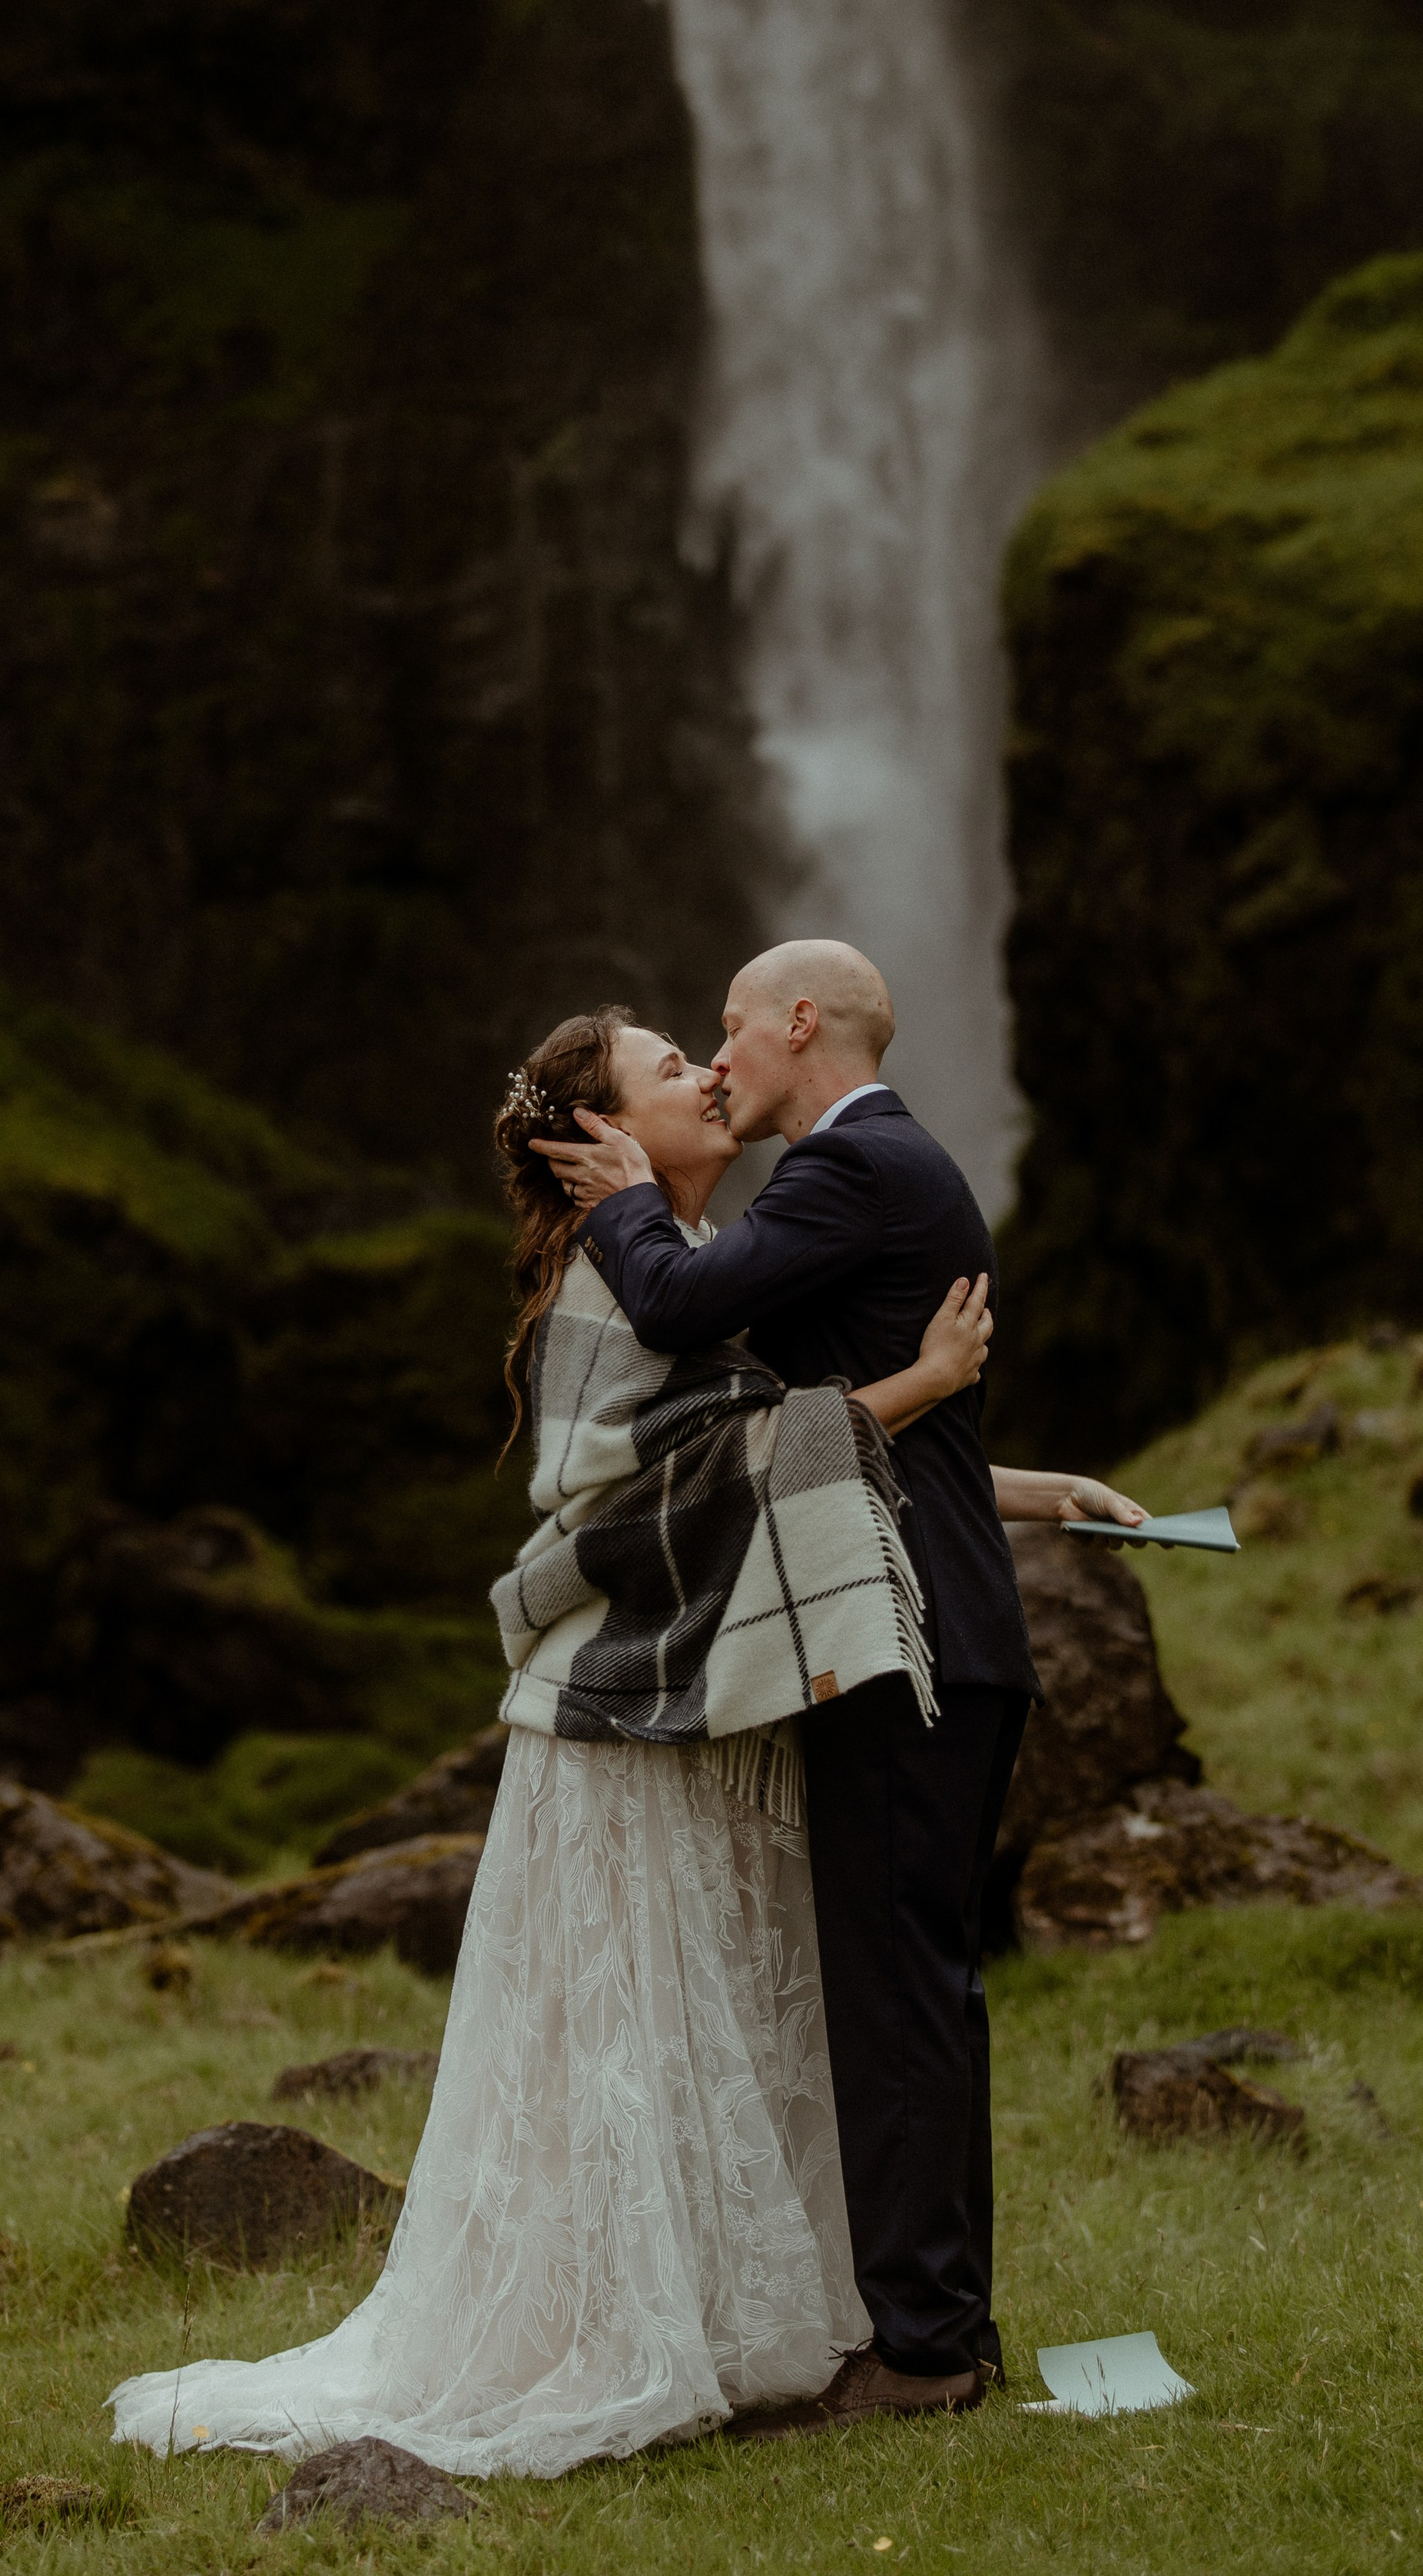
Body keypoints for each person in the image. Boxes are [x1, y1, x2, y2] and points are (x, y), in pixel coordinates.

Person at [106, 1003, 996, 2478]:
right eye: (670, 1065)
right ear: (603, 1141)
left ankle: (726, 2312)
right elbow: (658, 1500)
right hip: (617, 1733)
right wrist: (922, 1386)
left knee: (703, 2026)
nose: (708, 1071)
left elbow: (774, 1455)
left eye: (707, 1049)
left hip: (692, 1724)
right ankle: (608, 2326)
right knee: (627, 2043)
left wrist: (1014, 1484)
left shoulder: (698, 1283)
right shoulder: (614, 1280)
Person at [531, 939, 1145, 2435]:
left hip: (905, 1639)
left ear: (799, 1022)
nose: (718, 1060)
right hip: (938, 1624)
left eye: (728, 1030)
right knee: (915, 1989)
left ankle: (922, 2349)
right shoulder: (877, 1172)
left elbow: (678, 1307)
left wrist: (613, 1197)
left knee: (893, 1994)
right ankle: (942, 2328)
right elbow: (812, 1429)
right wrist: (1039, 1485)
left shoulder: (849, 1167)